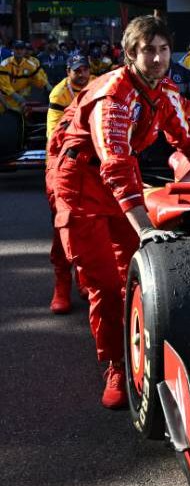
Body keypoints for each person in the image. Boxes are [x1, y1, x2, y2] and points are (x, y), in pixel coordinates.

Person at [49, 15, 190, 409]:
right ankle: (113, 362)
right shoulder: (114, 94)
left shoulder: (165, 91)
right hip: (76, 176)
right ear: (130, 54)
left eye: (164, 49)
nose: (158, 58)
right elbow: (113, 161)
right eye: (149, 50)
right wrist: (145, 225)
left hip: (116, 178)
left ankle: (135, 337)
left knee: (132, 270)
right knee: (101, 281)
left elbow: (186, 136)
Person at [45, 54, 93, 314]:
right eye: (78, 70)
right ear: (68, 71)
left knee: (90, 227)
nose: (83, 74)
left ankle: (83, 279)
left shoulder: (97, 85)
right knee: (62, 227)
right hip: (60, 164)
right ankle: (61, 286)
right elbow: (56, 138)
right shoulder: (58, 94)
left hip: (90, 163)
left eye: (86, 69)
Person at [0, 40, 50, 110]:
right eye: (16, 49)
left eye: (21, 49)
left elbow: (39, 79)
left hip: (23, 100)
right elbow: (4, 85)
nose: (19, 51)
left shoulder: (30, 64)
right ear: (12, 50)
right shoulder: (4, 65)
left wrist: (46, 85)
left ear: (24, 50)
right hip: (5, 101)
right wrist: (15, 95)